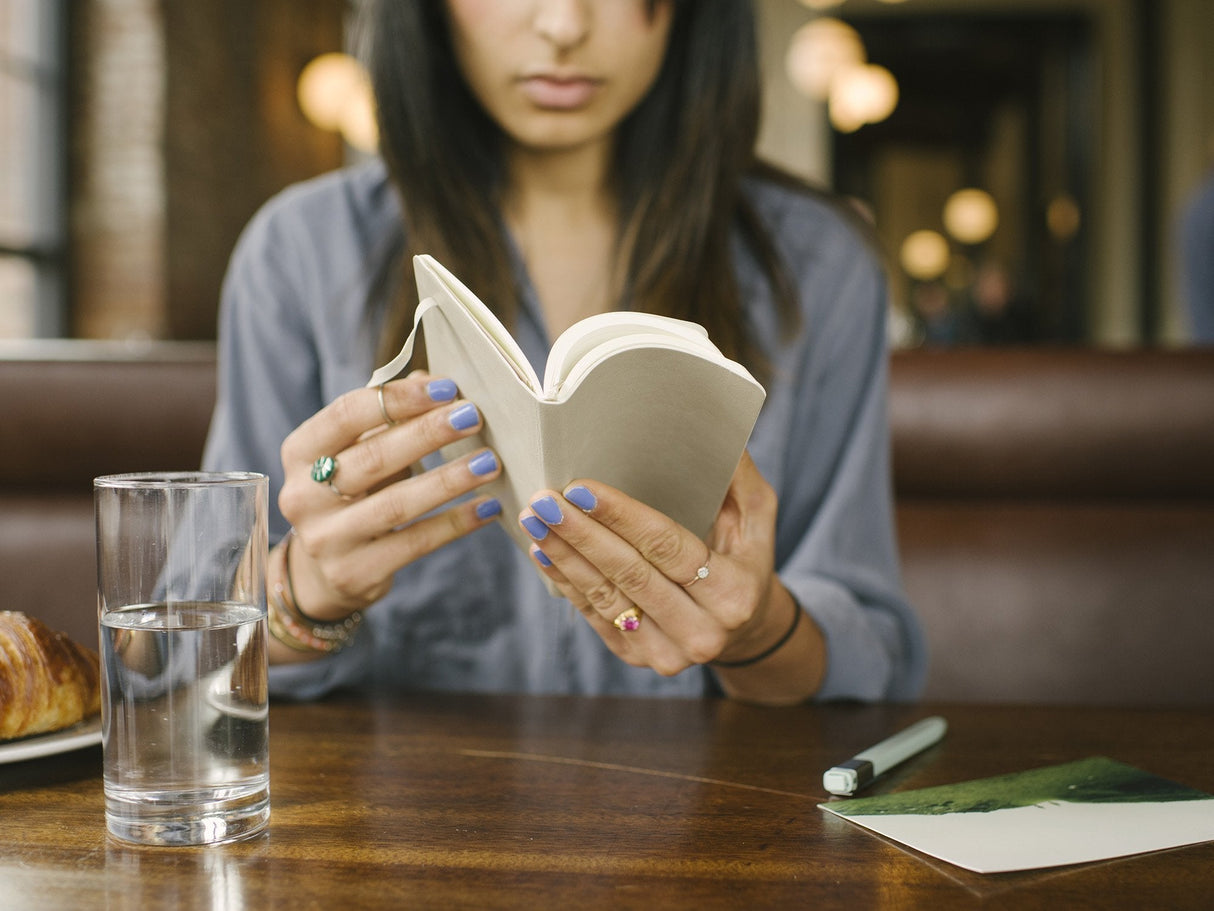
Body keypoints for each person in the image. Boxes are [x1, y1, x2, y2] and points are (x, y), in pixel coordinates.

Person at [203, 0, 926, 705]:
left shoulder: (817, 263)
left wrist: (758, 626)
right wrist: (304, 589)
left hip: (707, 811)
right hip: (393, 816)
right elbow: (170, 655)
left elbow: (872, 661)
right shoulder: (303, 251)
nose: (564, 24)